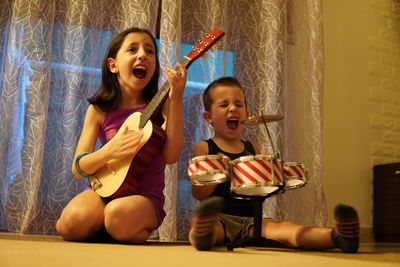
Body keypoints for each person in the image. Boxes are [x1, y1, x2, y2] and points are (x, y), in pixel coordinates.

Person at [188, 76, 359, 253]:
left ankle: (339, 236)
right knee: (209, 229)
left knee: (285, 229)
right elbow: (199, 193)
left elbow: (265, 189)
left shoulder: (253, 148)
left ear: (246, 114)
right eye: (224, 105)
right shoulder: (205, 147)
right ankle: (203, 234)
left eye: (239, 105)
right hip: (220, 219)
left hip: (253, 220)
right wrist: (220, 172)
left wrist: (270, 171)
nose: (233, 108)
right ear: (208, 117)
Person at [56, 27, 187, 243]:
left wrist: (177, 98)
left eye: (149, 51)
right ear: (113, 65)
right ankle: (102, 224)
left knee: (117, 215)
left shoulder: (163, 106)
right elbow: (78, 168)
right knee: (71, 224)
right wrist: (110, 149)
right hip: (102, 191)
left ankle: (113, 225)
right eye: (132, 49)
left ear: (154, 67)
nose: (142, 55)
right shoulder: (99, 110)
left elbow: (171, 156)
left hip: (144, 198)